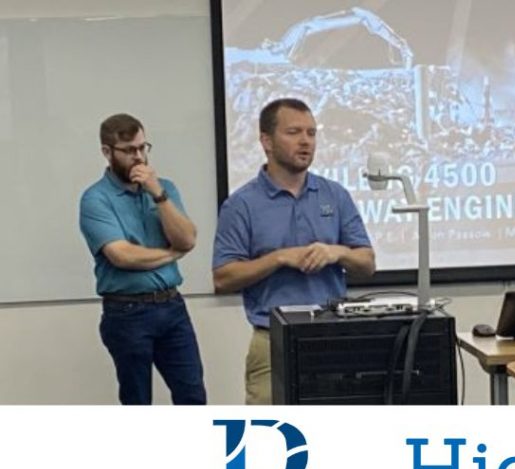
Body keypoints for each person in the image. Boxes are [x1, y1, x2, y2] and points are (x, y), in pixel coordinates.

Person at [212, 97, 376, 404]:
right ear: (266, 141)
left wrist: (336, 252)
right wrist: (278, 258)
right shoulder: (241, 205)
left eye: (311, 133)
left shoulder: (334, 195)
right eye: (294, 132)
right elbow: (223, 278)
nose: (305, 142)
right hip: (272, 342)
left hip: (333, 340)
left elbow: (367, 263)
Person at [78, 112, 206, 405]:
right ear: (107, 152)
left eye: (143, 148)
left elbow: (187, 239)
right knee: (137, 402)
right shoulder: (96, 198)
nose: (138, 157)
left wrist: (158, 194)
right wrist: (172, 254)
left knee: (193, 395)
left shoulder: (164, 188)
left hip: (172, 306)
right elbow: (122, 255)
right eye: (129, 150)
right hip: (127, 312)